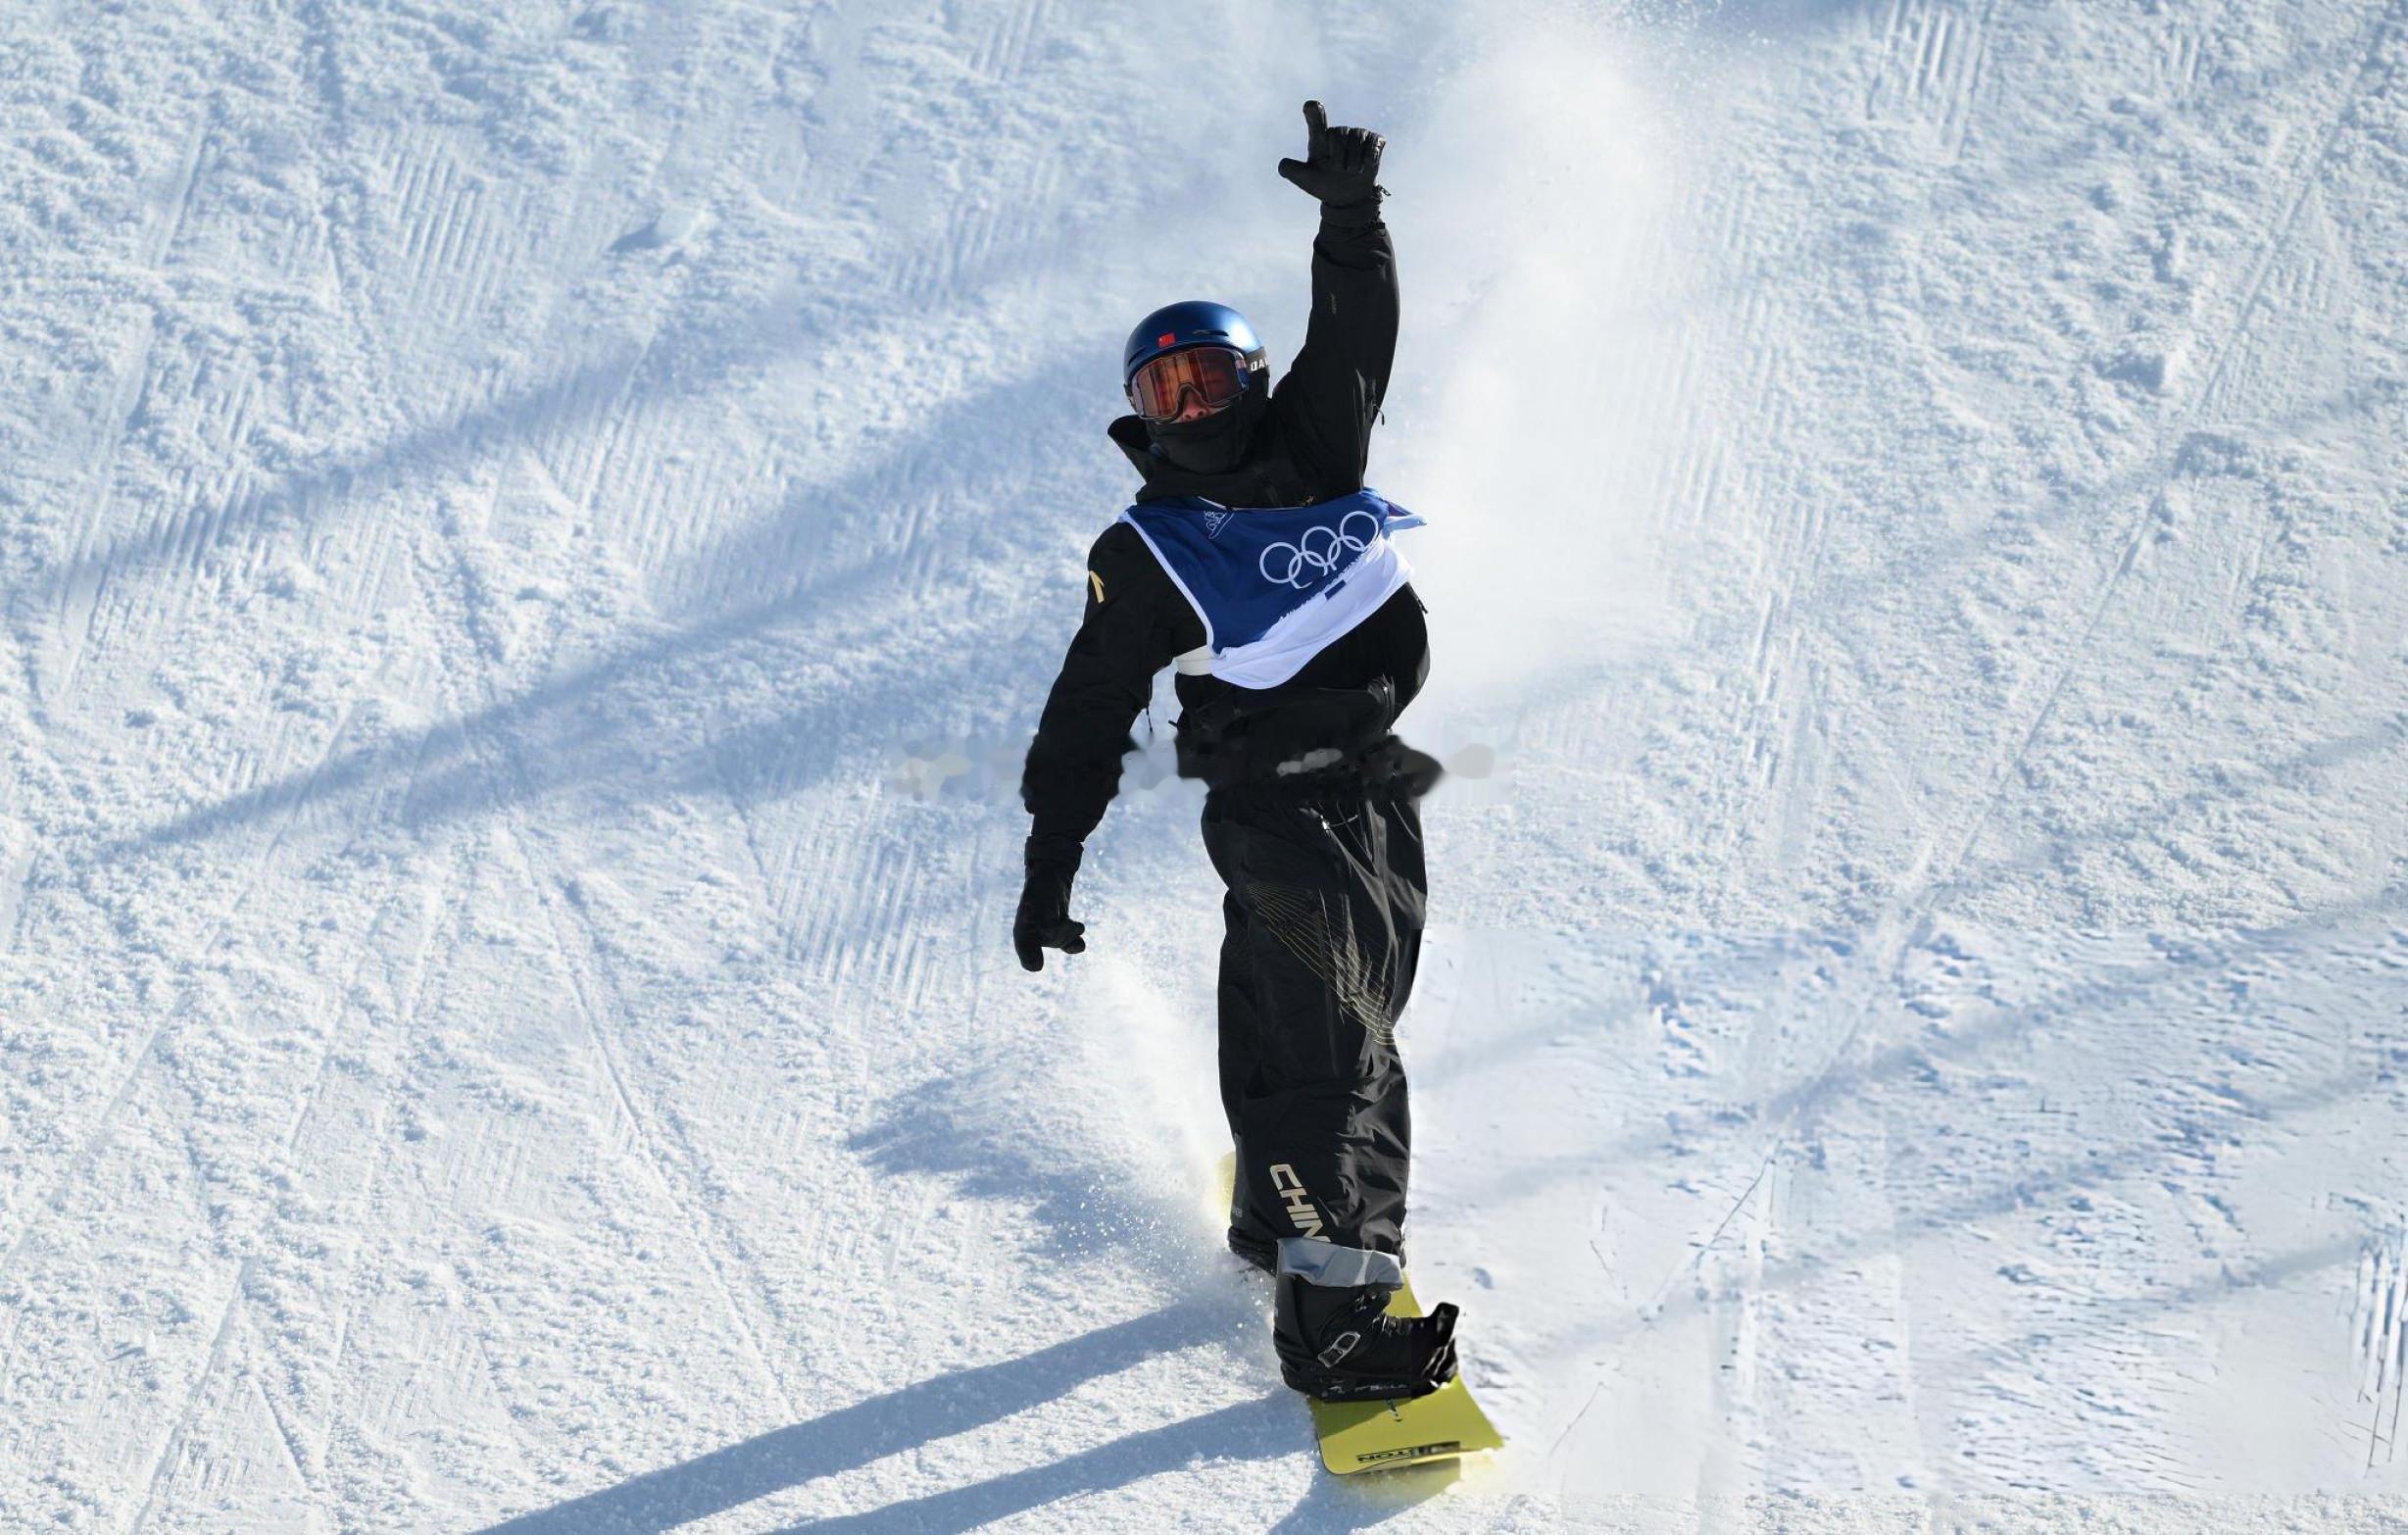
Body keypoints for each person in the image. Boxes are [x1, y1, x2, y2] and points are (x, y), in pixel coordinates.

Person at [1014, 102, 1456, 1404]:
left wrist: (1348, 216)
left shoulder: (1316, 441)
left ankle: (1282, 1225)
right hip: (1276, 812)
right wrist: (1053, 861)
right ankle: (1339, 1325)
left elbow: (1356, 328)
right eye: (1164, 390)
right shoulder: (1149, 548)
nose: (1190, 404)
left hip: (1373, 790)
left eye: (1207, 376)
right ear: (1140, 413)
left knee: (1325, 1020)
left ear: (1248, 381)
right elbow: (1085, 713)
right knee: (1334, 1039)